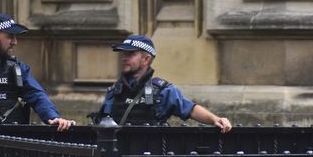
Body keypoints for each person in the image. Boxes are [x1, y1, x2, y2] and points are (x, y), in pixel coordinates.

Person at [97, 35, 232, 133]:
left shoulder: (162, 90)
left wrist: (216, 120)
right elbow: (101, 123)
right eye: (124, 54)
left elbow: (190, 109)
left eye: (130, 54)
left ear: (146, 59)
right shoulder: (115, 90)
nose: (124, 58)